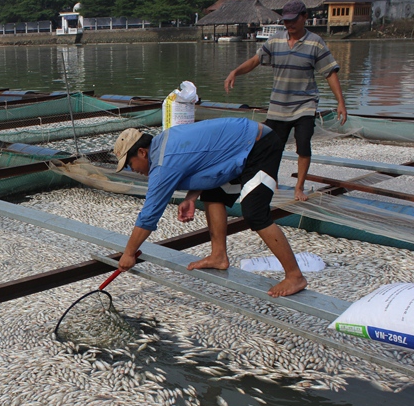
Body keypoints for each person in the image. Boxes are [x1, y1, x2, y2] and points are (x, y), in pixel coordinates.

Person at [113, 118, 308, 298]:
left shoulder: (163, 163)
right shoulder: (164, 144)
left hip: (259, 145)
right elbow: (205, 161)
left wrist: (129, 253)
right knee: (213, 194)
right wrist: (192, 196)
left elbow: (149, 215)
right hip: (239, 147)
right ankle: (219, 256)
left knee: (255, 213)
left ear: (142, 152)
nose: (134, 171)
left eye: (130, 165)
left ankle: (295, 276)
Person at [224, 0, 347, 202]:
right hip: (278, 106)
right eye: (286, 21)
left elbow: (330, 73)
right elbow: (255, 60)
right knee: (271, 146)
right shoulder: (275, 41)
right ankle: (272, 183)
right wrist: (235, 71)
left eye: (293, 20)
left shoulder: (315, 42)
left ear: (304, 17)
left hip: (304, 105)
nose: (289, 25)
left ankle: (299, 188)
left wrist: (341, 102)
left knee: (303, 144)